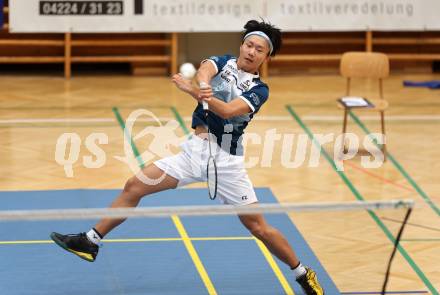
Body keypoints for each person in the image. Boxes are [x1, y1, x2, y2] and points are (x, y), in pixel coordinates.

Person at [50, 19, 324, 295]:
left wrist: (194, 91)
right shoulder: (223, 63)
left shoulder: (259, 90)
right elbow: (206, 69)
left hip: (225, 162)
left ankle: (302, 274)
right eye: (249, 45)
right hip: (194, 152)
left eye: (260, 50)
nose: (252, 51)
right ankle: (90, 241)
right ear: (241, 45)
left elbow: (228, 111)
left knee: (258, 227)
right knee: (135, 185)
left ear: (267, 57)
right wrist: (203, 83)